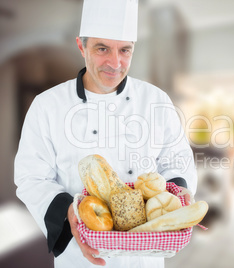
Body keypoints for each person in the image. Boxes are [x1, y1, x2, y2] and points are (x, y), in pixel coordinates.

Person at [14, 0, 197, 267]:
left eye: (125, 50)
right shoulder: (47, 106)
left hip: (144, 257)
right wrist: (69, 213)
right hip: (81, 257)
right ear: (81, 46)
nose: (115, 62)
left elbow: (176, 160)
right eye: (102, 48)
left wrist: (180, 195)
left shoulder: (155, 99)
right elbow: (31, 177)